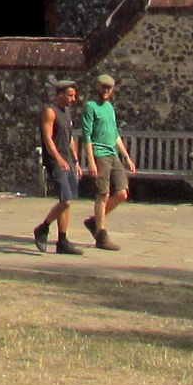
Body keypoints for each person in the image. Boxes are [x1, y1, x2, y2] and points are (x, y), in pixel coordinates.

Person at [33, 79, 85, 254]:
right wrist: (58, 158)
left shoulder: (66, 112)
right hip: (56, 161)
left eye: (74, 95)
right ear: (60, 94)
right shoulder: (50, 112)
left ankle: (62, 241)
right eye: (70, 95)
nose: (73, 99)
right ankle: (42, 228)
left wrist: (75, 161)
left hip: (67, 161)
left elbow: (69, 139)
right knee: (66, 200)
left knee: (68, 201)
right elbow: (47, 138)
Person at [82, 72, 132, 251]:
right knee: (102, 194)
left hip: (113, 154)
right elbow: (87, 135)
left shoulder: (109, 107)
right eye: (104, 87)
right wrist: (91, 160)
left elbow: (115, 133)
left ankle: (94, 222)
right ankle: (101, 235)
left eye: (109, 88)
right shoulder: (90, 107)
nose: (106, 91)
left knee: (122, 193)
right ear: (97, 87)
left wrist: (126, 156)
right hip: (100, 153)